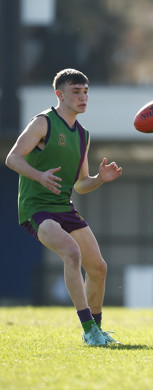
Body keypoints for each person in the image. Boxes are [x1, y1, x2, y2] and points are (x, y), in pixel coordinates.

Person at [5, 68, 122, 346]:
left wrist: (99, 179)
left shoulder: (83, 135)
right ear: (59, 94)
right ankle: (89, 328)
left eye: (85, 92)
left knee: (99, 268)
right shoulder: (43, 123)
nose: (83, 98)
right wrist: (39, 175)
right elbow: (12, 158)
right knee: (71, 253)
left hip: (63, 207)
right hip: (36, 208)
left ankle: (96, 330)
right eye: (76, 92)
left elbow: (81, 184)